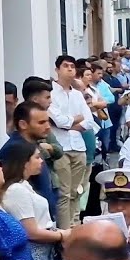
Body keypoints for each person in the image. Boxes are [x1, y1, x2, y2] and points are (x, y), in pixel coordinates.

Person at [0, 142, 68, 260]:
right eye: (36, 157)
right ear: (24, 162)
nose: (41, 161)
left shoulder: (24, 185)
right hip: (33, 254)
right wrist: (62, 235)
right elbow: (31, 232)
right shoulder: (16, 190)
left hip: (41, 252)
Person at [48, 55, 94, 229]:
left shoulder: (77, 95)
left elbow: (89, 121)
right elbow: (58, 121)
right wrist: (73, 120)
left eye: (72, 66)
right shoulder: (51, 93)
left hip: (78, 146)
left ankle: (75, 225)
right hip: (61, 148)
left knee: (77, 191)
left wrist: (69, 125)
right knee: (64, 193)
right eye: (65, 66)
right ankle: (65, 230)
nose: (69, 69)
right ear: (57, 69)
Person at [0, 100, 61, 225]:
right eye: (41, 122)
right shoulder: (15, 149)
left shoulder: (32, 145)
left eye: (47, 121)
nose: (48, 127)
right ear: (23, 124)